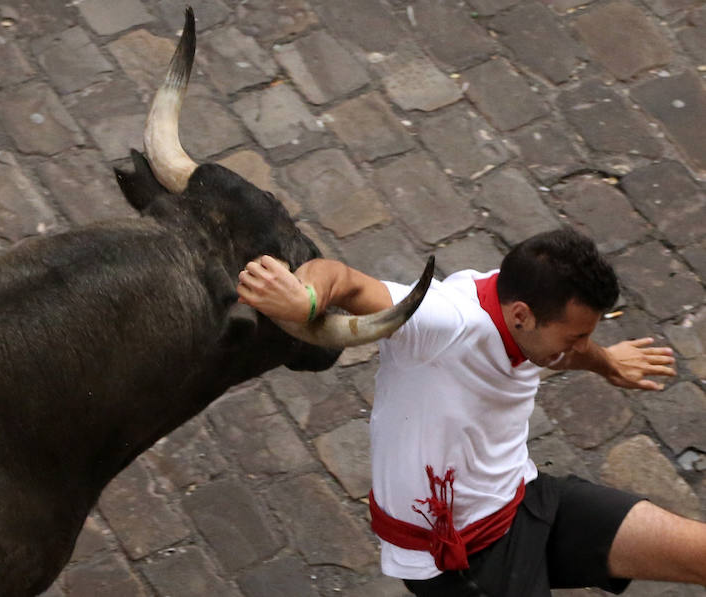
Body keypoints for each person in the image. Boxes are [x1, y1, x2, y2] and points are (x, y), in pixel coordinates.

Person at [237, 227, 705, 596]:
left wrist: (608, 363)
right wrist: (306, 298)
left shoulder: (522, 315)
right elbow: (339, 276)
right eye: (575, 336)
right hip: (464, 556)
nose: (581, 346)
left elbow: (561, 352)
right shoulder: (447, 321)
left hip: (525, 497)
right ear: (521, 315)